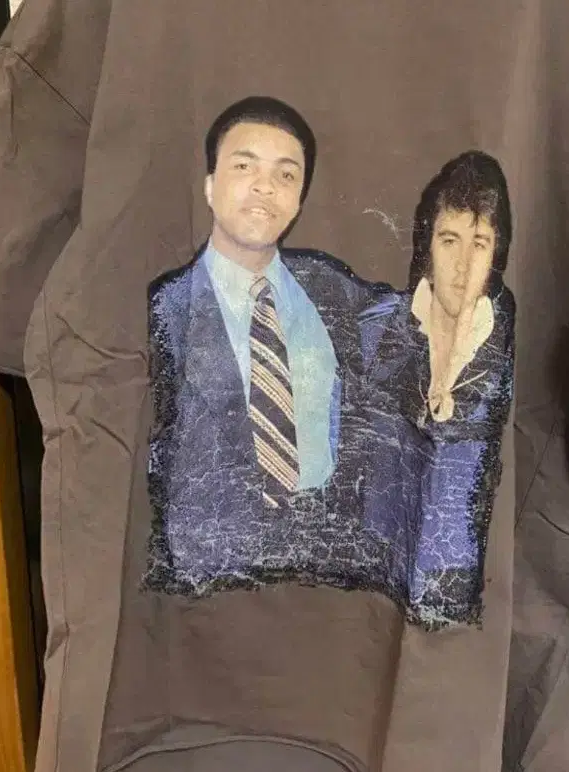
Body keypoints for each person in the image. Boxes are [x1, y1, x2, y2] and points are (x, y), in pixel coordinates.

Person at [142, 95, 396, 599]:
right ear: (209, 185)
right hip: (210, 586)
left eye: (286, 174)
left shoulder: (329, 286)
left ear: (299, 199)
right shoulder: (163, 309)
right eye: (244, 166)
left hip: (329, 577)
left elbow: (415, 321)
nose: (265, 186)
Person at [358, 150, 516, 628]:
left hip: (466, 615)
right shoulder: (374, 334)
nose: (463, 265)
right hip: (366, 600)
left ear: (496, 255)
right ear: (427, 246)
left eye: (480, 244)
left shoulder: (508, 345)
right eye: (450, 241)